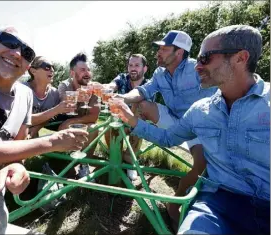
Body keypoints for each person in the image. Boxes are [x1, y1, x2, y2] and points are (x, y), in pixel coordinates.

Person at [116, 25, 270, 234]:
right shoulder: (200, 110)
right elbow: (167, 135)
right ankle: (137, 168)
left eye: (205, 58)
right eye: (197, 60)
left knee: (201, 163)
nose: (198, 67)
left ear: (240, 58)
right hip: (217, 202)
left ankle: (175, 201)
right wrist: (127, 115)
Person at [0, 26, 88, 234]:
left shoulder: (24, 95)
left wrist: (17, 166)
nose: (17, 53)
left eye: (27, 53)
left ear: (27, 65)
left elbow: (18, 146)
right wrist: (53, 142)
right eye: (9, 42)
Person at [115, 30, 217, 226]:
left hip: (199, 126)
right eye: (159, 48)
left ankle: (175, 202)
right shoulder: (159, 72)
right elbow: (144, 90)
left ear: (179, 52)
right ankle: (130, 152)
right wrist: (123, 97)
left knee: (202, 166)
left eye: (163, 48)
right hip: (173, 119)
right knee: (142, 104)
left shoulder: (198, 70)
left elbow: (217, 99)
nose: (158, 52)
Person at [103, 53, 154, 181]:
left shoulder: (150, 84)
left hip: (138, 120)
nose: (133, 68)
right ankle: (118, 158)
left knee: (139, 121)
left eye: (137, 65)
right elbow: (113, 84)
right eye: (130, 65)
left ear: (145, 69)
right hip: (120, 119)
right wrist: (107, 88)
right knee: (110, 130)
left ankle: (130, 162)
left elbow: (147, 109)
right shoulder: (122, 78)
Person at [57, 53, 100, 179]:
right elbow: (66, 106)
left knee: (94, 127)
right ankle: (64, 164)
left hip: (81, 123)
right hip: (63, 121)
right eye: (82, 70)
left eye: (88, 69)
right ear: (72, 73)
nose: (87, 73)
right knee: (65, 127)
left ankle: (84, 164)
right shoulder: (64, 85)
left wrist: (71, 122)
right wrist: (78, 95)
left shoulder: (93, 87)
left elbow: (94, 116)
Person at [23, 56, 75, 138]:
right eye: (47, 67)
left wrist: (38, 126)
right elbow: (22, 119)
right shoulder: (22, 90)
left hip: (32, 132)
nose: (52, 70)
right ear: (33, 71)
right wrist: (56, 110)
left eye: (53, 67)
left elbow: (51, 116)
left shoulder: (54, 93)